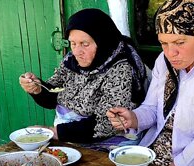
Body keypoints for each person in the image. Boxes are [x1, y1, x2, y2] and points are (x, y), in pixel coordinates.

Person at [107, 0, 194, 166]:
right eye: (164, 43)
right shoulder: (164, 62)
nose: (170, 53)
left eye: (180, 43)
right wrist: (133, 118)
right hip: (154, 150)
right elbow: (152, 108)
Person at [19, 8, 147, 144]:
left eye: (85, 44)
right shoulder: (71, 61)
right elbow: (52, 95)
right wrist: (37, 89)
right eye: (73, 44)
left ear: (102, 41)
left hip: (107, 143)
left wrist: (54, 132)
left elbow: (108, 124)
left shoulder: (121, 69)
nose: (77, 52)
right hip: (71, 136)